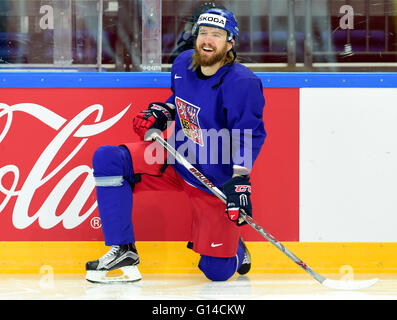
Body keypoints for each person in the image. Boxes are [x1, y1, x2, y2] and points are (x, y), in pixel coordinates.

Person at [85, 8, 266, 283]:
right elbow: (179, 98)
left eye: (216, 35)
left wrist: (240, 179)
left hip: (211, 179)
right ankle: (122, 249)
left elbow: (249, 134)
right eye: (203, 33)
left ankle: (235, 249)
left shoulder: (243, 83)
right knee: (108, 158)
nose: (207, 40)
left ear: (230, 43)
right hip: (174, 157)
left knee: (217, 273)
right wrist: (163, 111)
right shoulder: (183, 64)